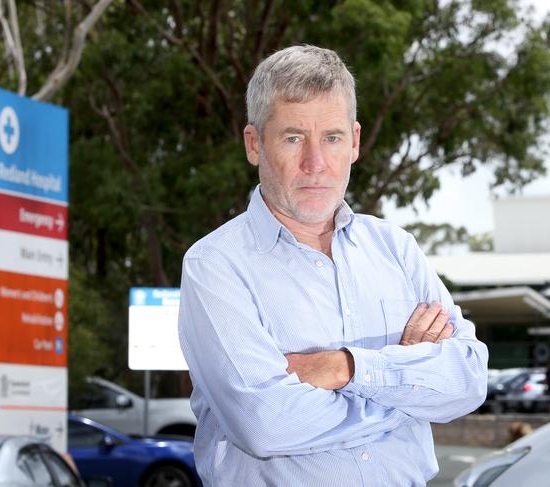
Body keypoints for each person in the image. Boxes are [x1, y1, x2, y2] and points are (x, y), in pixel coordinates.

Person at [178, 45, 488, 486]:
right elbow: (264, 425)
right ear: (254, 144)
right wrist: (408, 390)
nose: (315, 163)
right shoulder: (215, 267)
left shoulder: (396, 249)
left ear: (355, 142)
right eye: (292, 138)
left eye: (332, 137)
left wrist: (345, 368)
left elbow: (470, 380)